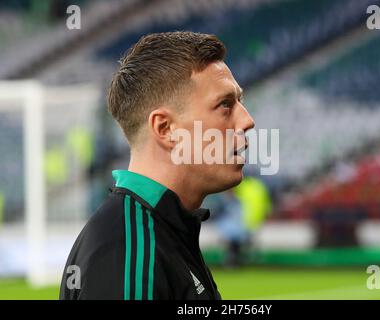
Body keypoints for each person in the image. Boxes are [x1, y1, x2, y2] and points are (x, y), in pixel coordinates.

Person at [59, 31, 255, 300]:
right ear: (165, 128)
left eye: (239, 102)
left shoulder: (160, 230)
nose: (247, 121)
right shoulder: (129, 253)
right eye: (225, 104)